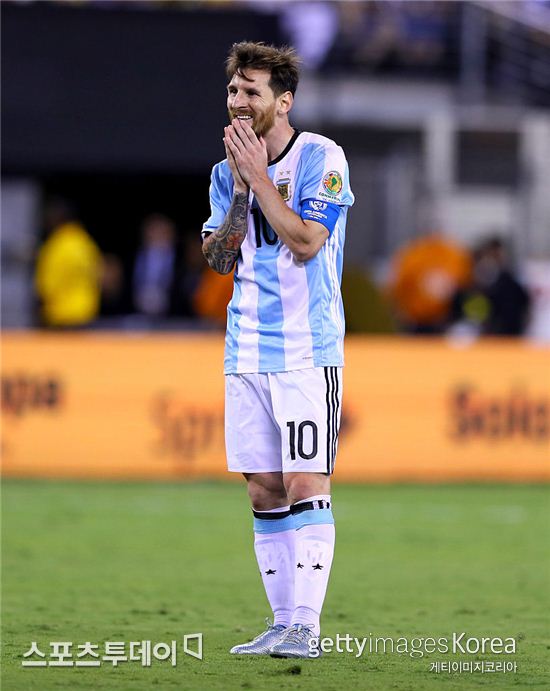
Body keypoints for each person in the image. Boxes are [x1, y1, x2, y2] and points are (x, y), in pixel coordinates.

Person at [201, 41, 354, 658]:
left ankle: (307, 628)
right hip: (246, 350)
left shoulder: (321, 156)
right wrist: (241, 188)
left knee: (304, 481)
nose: (238, 101)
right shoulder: (224, 173)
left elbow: (307, 241)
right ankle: (282, 622)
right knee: (263, 487)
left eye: (252, 92)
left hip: (307, 350)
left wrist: (261, 179)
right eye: (233, 90)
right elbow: (219, 259)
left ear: (283, 101)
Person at [35, 198, 102, 329]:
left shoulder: (57, 245)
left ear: (56, 218)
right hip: (86, 314)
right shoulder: (85, 242)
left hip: (62, 317)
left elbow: (47, 287)